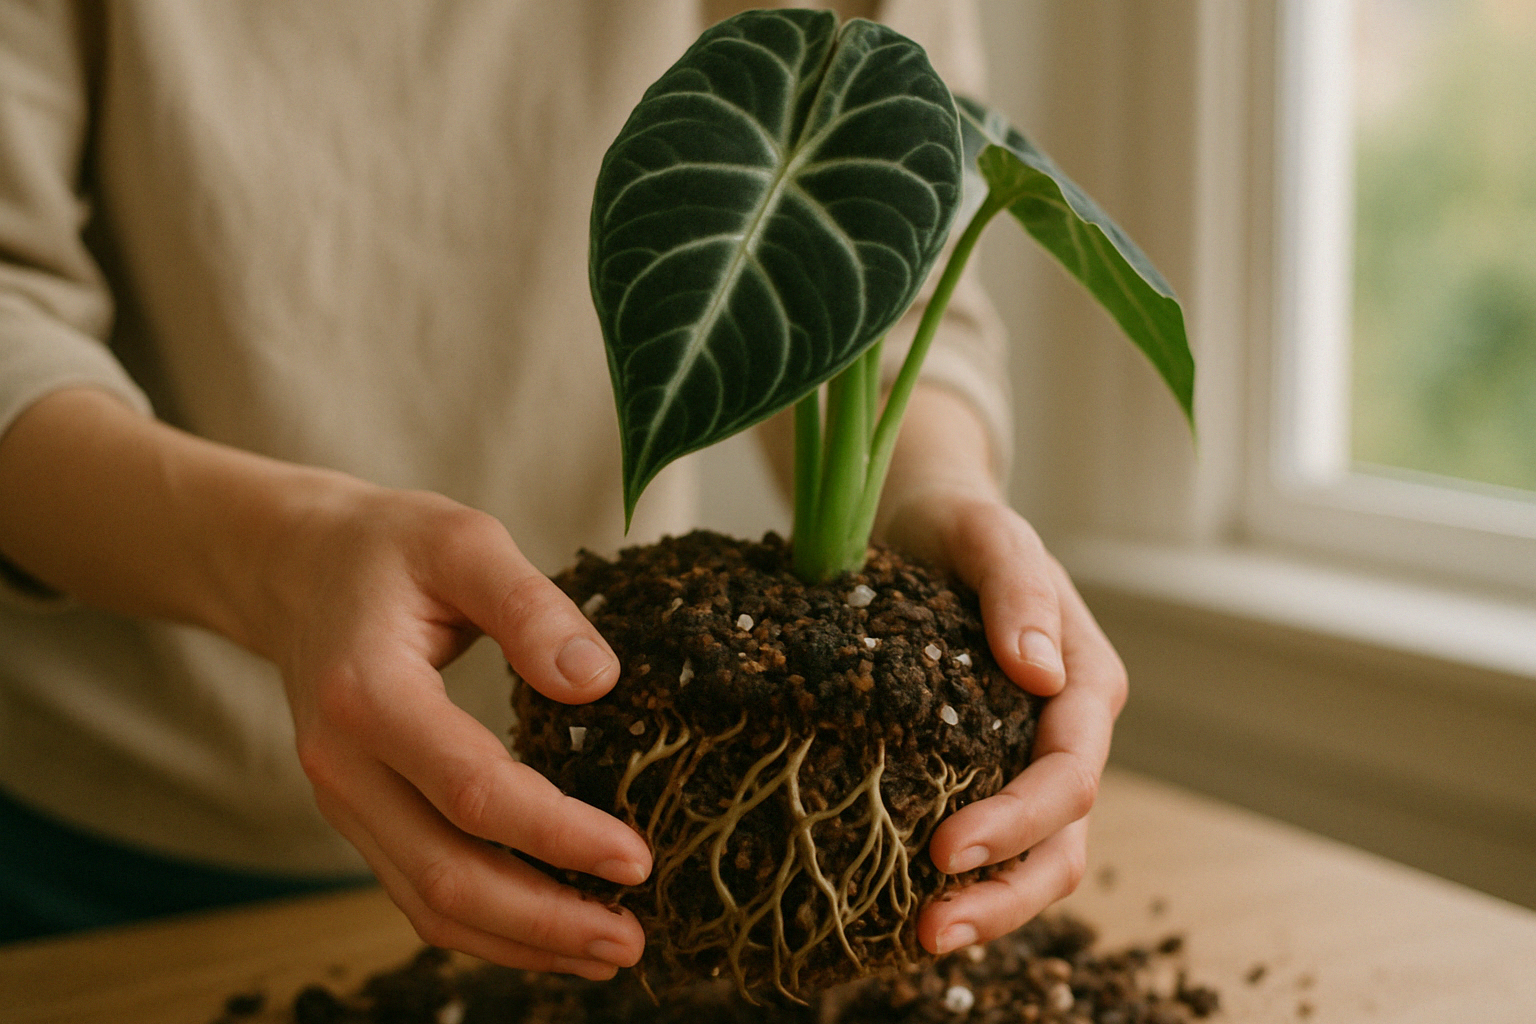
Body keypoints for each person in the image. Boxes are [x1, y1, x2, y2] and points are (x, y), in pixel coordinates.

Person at [0, 0, 1126, 979]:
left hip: (614, 843)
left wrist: (936, 497)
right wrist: (281, 561)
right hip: (123, 849)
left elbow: (886, 214)